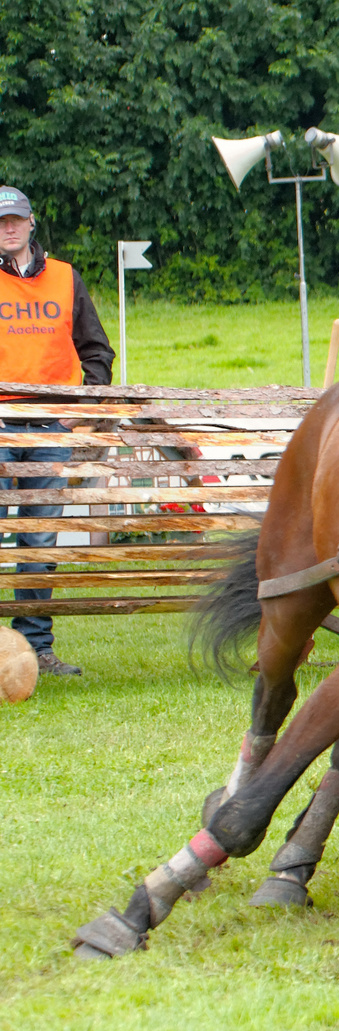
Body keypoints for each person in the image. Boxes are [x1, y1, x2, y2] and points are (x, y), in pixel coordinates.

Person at [0, 186, 114, 676]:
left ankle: (36, 650)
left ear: (31, 224)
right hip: (1, 426)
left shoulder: (66, 278)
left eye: (15, 220)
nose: (8, 228)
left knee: (39, 541)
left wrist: (74, 412)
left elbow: (97, 353)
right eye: (0, 222)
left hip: (49, 427)